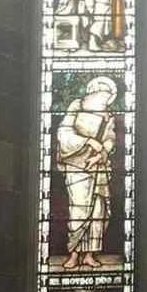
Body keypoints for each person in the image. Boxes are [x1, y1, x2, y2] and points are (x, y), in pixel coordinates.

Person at [55, 76, 118, 270]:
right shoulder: (76, 107)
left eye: (108, 96)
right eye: (102, 94)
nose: (105, 99)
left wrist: (102, 154)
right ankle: (74, 253)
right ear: (93, 91)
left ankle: (90, 254)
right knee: (79, 210)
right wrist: (88, 142)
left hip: (98, 167)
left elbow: (110, 138)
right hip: (76, 166)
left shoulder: (108, 115)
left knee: (98, 210)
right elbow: (63, 134)